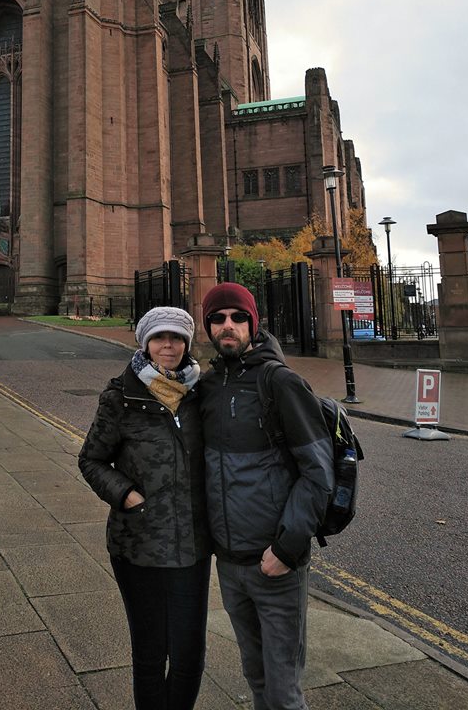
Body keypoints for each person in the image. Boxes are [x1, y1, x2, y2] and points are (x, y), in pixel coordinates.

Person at [198, 283, 333, 710]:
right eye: (218, 319)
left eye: (238, 318)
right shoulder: (209, 386)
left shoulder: (280, 382)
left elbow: (318, 471)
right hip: (230, 564)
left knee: (283, 689)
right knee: (255, 676)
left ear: (253, 324)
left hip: (275, 564)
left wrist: (287, 548)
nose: (228, 326)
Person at [79, 306, 211, 710]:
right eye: (159, 338)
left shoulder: (202, 395)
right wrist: (127, 496)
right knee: (150, 653)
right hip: (137, 544)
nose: (167, 345)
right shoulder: (121, 395)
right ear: (146, 343)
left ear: (187, 343)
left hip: (192, 545)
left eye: (175, 337)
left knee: (189, 656)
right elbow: (91, 460)